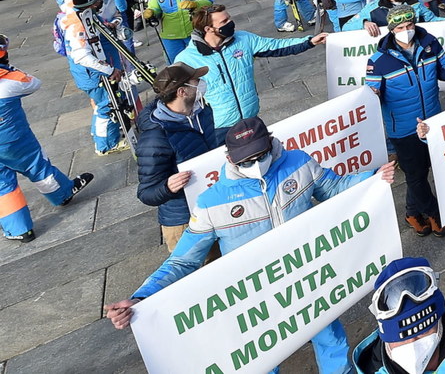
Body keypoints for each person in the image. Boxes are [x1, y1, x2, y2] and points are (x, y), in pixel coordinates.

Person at [107, 117, 396, 374]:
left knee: (331, 339)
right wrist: (142, 298)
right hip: (258, 297)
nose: (254, 165)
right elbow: (183, 261)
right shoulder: (211, 203)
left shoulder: (300, 163)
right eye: (245, 160)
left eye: (260, 156)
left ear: (271, 144)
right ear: (230, 158)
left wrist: (372, 179)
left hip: (308, 281)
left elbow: (333, 188)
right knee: (261, 360)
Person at [365, 5, 445, 238]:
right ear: (392, 29)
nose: (406, 31)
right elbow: (371, 95)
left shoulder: (430, 44)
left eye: (409, 26)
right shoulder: (378, 61)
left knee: (423, 169)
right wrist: (371, 96)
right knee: (416, 176)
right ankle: (434, 213)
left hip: (432, 121)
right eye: (400, 27)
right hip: (403, 129)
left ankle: (411, 213)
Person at [176, 4, 327, 138]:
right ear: (208, 29)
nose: (230, 23)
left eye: (229, 18)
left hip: (251, 117)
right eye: (224, 22)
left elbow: (277, 45)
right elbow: (178, 98)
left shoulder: (244, 39)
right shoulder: (186, 59)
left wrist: (309, 42)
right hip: (220, 128)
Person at [0, 35, 94, 242]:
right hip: (12, 140)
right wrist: (8, 70)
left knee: (2, 186)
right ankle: (62, 194)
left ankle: (20, 230)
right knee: (36, 167)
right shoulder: (9, 81)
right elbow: (34, 83)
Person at [133, 63, 221, 250]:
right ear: (182, 92)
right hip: (184, 220)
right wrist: (167, 187)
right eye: (196, 81)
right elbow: (146, 193)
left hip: (213, 205)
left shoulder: (202, 111)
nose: (201, 84)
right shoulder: (155, 138)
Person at [58, 0, 129, 155]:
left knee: (102, 106)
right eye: (98, 1)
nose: (100, 3)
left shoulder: (83, 13)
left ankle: (100, 133)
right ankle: (106, 145)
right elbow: (82, 56)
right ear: (91, 3)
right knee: (107, 106)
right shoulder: (78, 26)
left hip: (96, 73)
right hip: (95, 76)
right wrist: (109, 70)